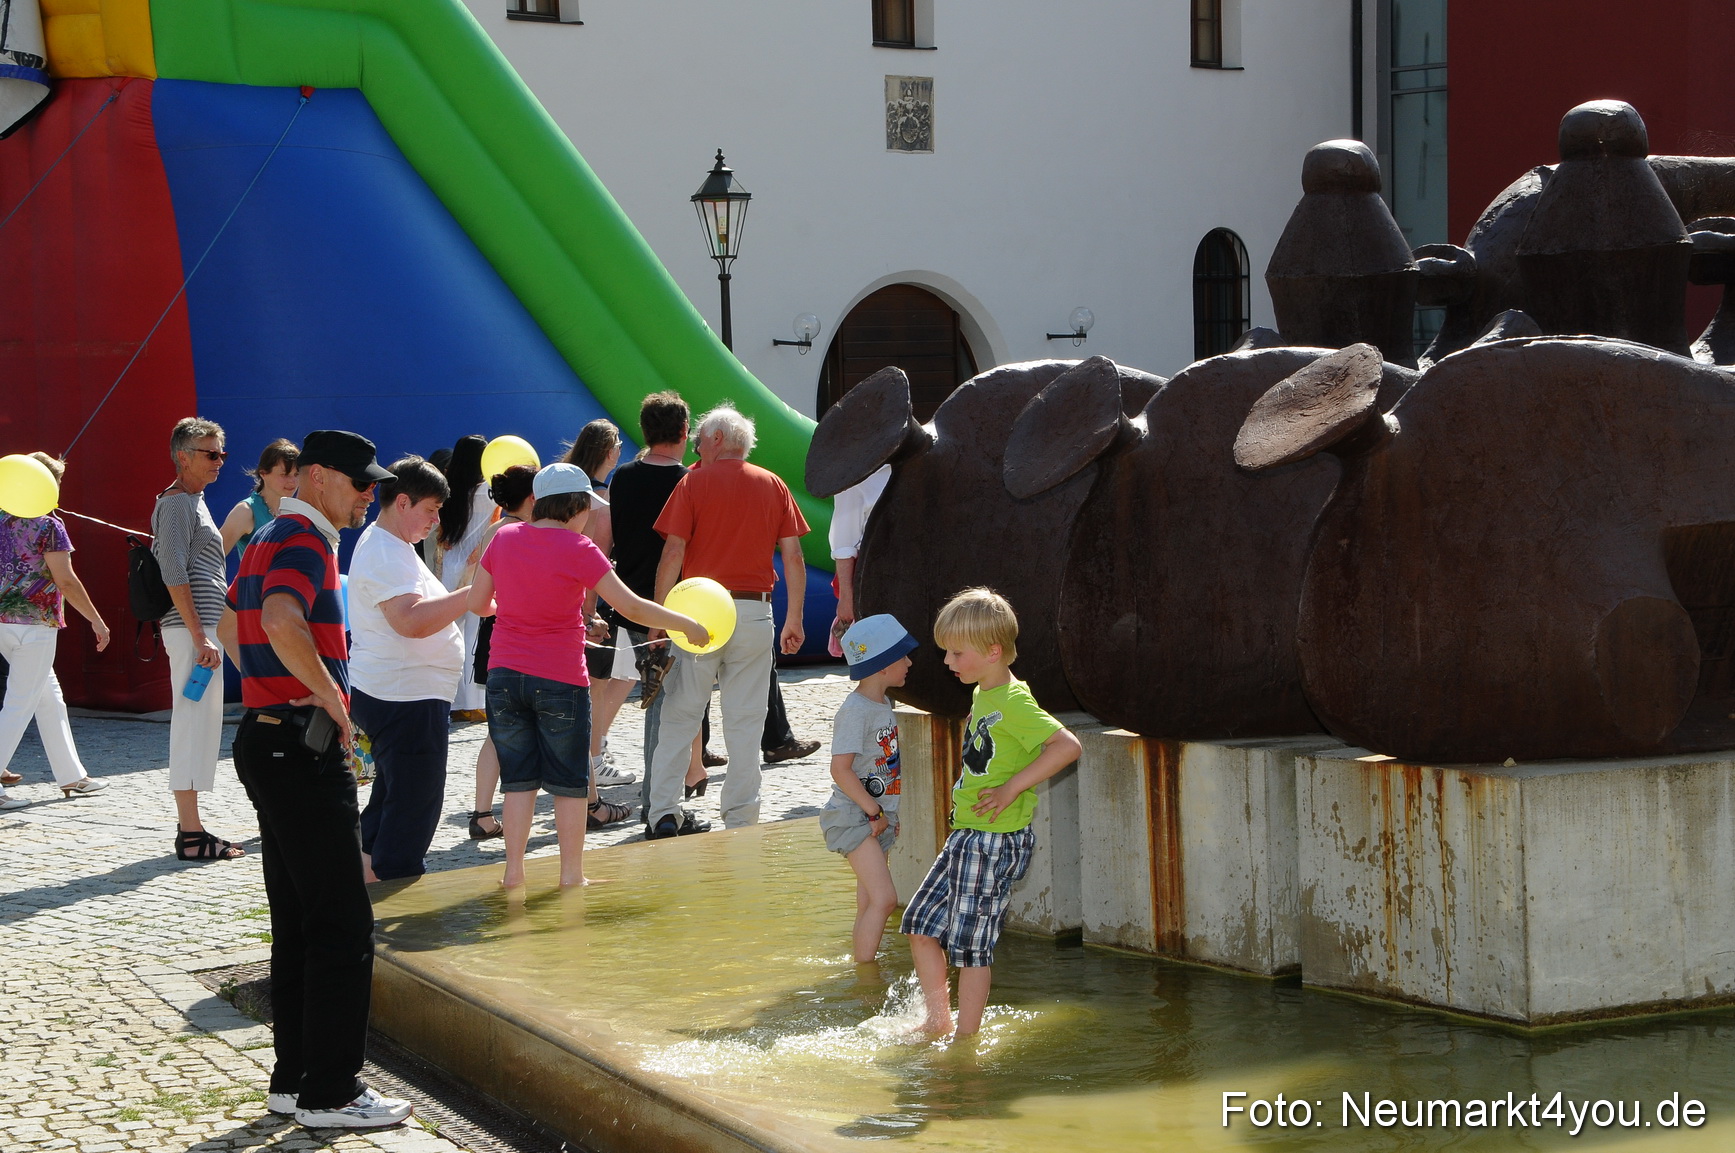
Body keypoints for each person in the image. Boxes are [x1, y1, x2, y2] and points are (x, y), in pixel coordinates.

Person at [216, 429, 412, 1130]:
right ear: (321, 477)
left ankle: (295, 1082)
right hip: (300, 751)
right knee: (340, 922)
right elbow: (274, 617)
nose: (371, 495)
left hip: (267, 742)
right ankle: (332, 1090)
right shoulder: (305, 538)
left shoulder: (270, 531)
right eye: (364, 483)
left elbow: (236, 623)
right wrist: (328, 693)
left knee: (299, 922)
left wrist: (275, 686)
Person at [468, 463, 708, 888]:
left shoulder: (503, 537)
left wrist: (516, 607)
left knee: (519, 780)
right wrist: (685, 623)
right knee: (569, 781)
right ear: (577, 505)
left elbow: (478, 603)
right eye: (589, 508)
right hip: (560, 677)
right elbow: (631, 607)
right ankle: (571, 875)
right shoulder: (579, 548)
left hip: (505, 673)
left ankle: (513, 873)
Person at [901, 588, 1082, 1037]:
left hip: (993, 839)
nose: (948, 662)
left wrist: (1010, 788)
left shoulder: (1015, 702)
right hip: (968, 834)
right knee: (920, 924)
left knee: (971, 949)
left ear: (993, 651)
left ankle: (965, 1039)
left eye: (956, 653)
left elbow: (1067, 746)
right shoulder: (986, 692)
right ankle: (938, 1022)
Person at [644, 404, 810, 837]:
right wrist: (794, 618)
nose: (697, 446)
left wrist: (658, 618)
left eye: (701, 438)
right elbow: (793, 556)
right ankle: (741, 817)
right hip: (755, 611)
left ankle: (663, 812)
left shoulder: (693, 482)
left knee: (681, 714)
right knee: (747, 720)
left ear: (718, 439)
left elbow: (673, 552)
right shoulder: (772, 484)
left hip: (698, 611)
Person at [348, 457, 472, 882]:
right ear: (403, 502)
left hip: (405, 693)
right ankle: (395, 880)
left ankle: (365, 874)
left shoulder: (393, 546)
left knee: (395, 794)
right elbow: (410, 620)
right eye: (431, 510)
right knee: (414, 801)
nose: (436, 521)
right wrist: (470, 596)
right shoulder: (386, 549)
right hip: (403, 696)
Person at [608, 392, 710, 797]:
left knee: (661, 697)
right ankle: (660, 795)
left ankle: (675, 781)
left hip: (630, 599)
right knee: (670, 703)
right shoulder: (689, 481)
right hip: (678, 604)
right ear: (685, 431)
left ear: (645, 431)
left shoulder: (624, 478)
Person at [153, 417, 241, 861]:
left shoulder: (194, 500)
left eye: (222, 453)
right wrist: (198, 635)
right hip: (192, 632)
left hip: (202, 630)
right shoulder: (176, 504)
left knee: (201, 724)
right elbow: (173, 572)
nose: (220, 461)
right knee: (190, 722)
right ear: (182, 456)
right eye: (211, 454)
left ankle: (193, 827)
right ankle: (190, 833)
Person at [0, 453, 110, 808]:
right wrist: (96, 619)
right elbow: (66, 579)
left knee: (48, 697)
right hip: (37, 626)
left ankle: (71, 775)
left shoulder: (2, 520)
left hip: (3, 623)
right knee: (20, 703)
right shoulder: (49, 527)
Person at [823, 614, 917, 962]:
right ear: (881, 664)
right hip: (856, 815)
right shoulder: (856, 710)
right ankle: (865, 977)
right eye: (902, 655)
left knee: (869, 900)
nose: (908, 662)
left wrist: (888, 813)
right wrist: (874, 811)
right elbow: (840, 769)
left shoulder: (881, 704)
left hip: (877, 816)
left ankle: (864, 970)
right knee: (885, 899)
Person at [459, 464, 536, 841]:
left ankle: (482, 811)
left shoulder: (495, 529)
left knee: (495, 729)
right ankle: (585, 804)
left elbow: (480, 591)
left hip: (494, 636)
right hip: (517, 635)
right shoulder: (522, 531)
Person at [561, 419, 638, 792]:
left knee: (600, 680)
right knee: (605, 680)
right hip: (591, 604)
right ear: (610, 452)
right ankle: (594, 757)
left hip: (567, 598)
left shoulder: (571, 492)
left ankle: (591, 755)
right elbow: (597, 558)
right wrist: (589, 613)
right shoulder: (599, 502)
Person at [435, 435, 492, 719]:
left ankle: (450, 699)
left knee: (448, 631)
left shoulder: (447, 486)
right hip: (477, 565)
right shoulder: (488, 490)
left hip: (448, 563)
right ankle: (471, 702)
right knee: (473, 633)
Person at [827, 463, 891, 648]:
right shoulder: (854, 478)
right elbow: (844, 545)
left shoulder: (918, 464)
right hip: (874, 582)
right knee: (877, 660)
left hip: (917, 578)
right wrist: (847, 599)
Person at [220, 438, 300, 555]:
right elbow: (210, 560)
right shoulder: (245, 511)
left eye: (296, 474)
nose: (292, 481)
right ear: (263, 474)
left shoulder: (297, 512)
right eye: (284, 475)